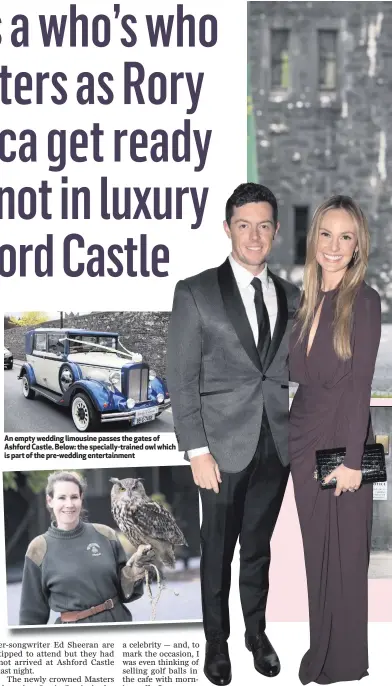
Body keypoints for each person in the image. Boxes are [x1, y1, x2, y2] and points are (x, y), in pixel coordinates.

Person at [167, 183, 300, 684]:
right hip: (219, 450)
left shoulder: (292, 295)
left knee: (258, 548)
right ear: (227, 229)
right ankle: (217, 644)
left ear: (276, 232)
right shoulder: (195, 291)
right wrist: (196, 449)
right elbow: (181, 380)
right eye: (243, 225)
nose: (254, 235)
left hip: (276, 445)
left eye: (263, 225)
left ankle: (256, 634)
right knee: (218, 550)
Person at [289, 195, 381, 684]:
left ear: (357, 245)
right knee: (316, 554)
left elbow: (360, 386)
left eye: (346, 237)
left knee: (345, 554)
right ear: (314, 239)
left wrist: (350, 463)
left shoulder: (364, 301)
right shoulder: (304, 298)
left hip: (344, 442)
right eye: (326, 233)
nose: (334, 245)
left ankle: (341, 661)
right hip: (303, 441)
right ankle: (319, 649)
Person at [19, 471, 154, 625]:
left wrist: (135, 570)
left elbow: (125, 591)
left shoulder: (105, 534)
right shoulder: (38, 548)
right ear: (50, 501)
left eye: (74, 497)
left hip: (117, 623)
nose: (69, 504)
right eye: (62, 497)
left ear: (81, 498)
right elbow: (31, 615)